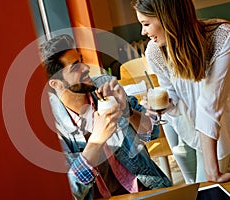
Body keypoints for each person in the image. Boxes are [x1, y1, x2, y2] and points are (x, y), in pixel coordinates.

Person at [39, 34, 172, 199]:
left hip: (144, 189)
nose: (86, 67)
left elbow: (152, 132)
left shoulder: (104, 84)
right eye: (75, 66)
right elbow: (72, 192)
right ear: (56, 83)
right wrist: (96, 140)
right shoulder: (51, 125)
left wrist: (127, 111)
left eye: (81, 60)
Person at [134, 0, 230, 184]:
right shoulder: (155, 51)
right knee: (190, 185)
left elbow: (210, 105)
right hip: (184, 126)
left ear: (168, 19)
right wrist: (163, 105)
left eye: (146, 24)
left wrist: (212, 171)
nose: (143, 32)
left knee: (204, 190)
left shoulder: (222, 37)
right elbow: (173, 97)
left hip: (216, 131)